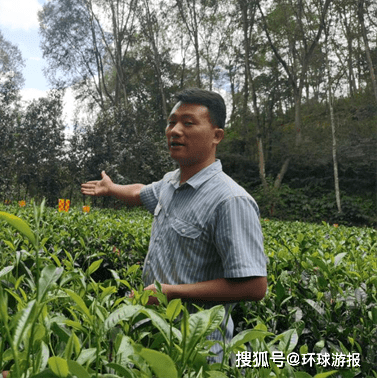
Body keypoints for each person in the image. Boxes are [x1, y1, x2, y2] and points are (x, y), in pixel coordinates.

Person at [81, 88, 267, 360]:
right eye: (171, 122)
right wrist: (111, 188)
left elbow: (254, 286)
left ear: (217, 135)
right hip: (151, 338)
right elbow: (139, 192)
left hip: (195, 353)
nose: (175, 130)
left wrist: (171, 293)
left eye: (188, 123)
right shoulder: (171, 182)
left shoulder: (231, 200)